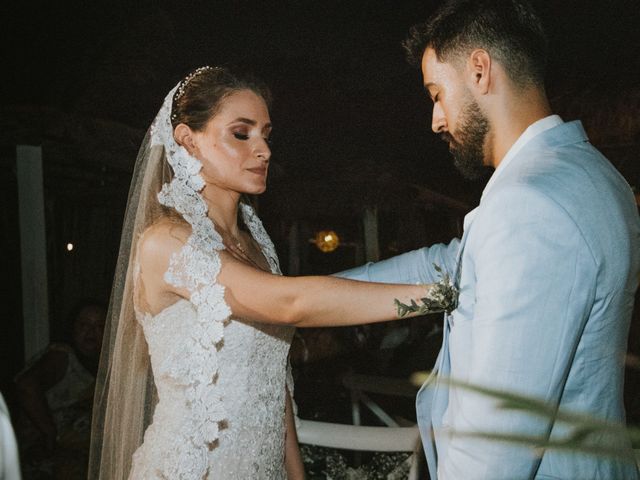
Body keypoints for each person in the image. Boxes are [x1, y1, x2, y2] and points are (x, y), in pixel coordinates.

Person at [88, 66, 441, 479]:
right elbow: (290, 303)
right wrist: (445, 294)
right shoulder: (165, 242)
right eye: (242, 134)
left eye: (266, 135)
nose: (264, 150)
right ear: (188, 140)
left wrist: (296, 474)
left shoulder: (256, 244)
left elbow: (274, 389)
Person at [337, 0, 640, 478]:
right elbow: (450, 265)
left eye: (437, 93)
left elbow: (493, 450)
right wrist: (299, 295)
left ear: (479, 70)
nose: (436, 120)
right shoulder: (595, 175)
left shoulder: (529, 206)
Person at [14, 300, 105, 479]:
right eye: (84, 325)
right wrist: (49, 432)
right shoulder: (62, 356)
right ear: (73, 328)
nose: (91, 332)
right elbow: (26, 386)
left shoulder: (103, 365)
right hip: (46, 455)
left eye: (99, 326)